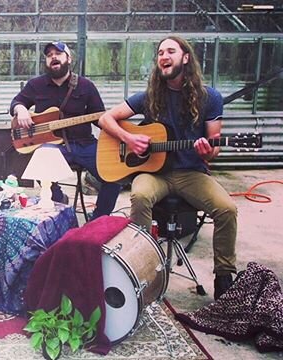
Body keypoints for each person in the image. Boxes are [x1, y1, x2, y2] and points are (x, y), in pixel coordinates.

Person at [98, 36, 237, 300]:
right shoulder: (150, 97)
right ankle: (139, 268)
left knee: (227, 209)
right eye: (160, 52)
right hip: (154, 173)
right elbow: (106, 118)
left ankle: (224, 278)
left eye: (170, 51)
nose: (164, 56)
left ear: (186, 58)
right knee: (139, 196)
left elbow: (215, 146)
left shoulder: (210, 98)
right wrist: (129, 138)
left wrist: (209, 151)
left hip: (191, 173)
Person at [10, 41, 121, 219]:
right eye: (49, 55)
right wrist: (20, 109)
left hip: (85, 144)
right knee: (40, 160)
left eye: (58, 53)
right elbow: (16, 102)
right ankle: (59, 202)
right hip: (54, 147)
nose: (53, 57)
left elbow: (100, 118)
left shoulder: (86, 86)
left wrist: (119, 130)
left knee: (115, 176)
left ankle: (98, 218)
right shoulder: (35, 85)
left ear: (69, 58)